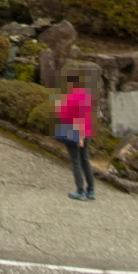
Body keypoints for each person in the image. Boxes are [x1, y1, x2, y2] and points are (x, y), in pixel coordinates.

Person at [55, 69, 95, 200]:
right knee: (85, 160)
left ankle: (80, 190)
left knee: (76, 161)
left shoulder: (70, 98)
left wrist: (80, 137)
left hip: (74, 132)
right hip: (86, 131)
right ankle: (91, 190)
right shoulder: (85, 95)